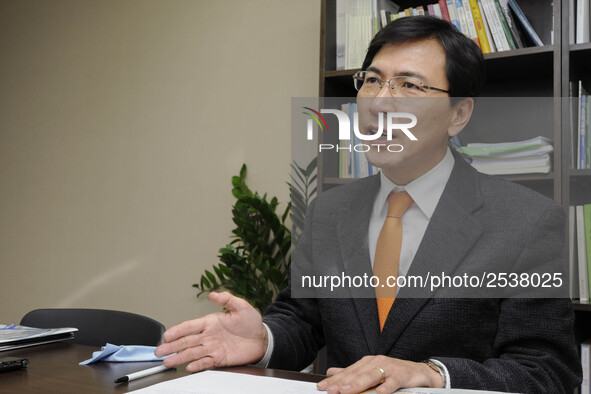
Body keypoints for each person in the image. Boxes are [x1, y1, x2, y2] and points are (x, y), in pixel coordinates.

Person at [155, 16, 581, 393]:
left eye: (410, 85)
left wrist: (433, 374)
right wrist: (265, 340)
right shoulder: (331, 211)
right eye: (373, 80)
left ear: (458, 114)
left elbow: (549, 372)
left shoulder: (525, 220)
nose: (379, 102)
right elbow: (303, 319)